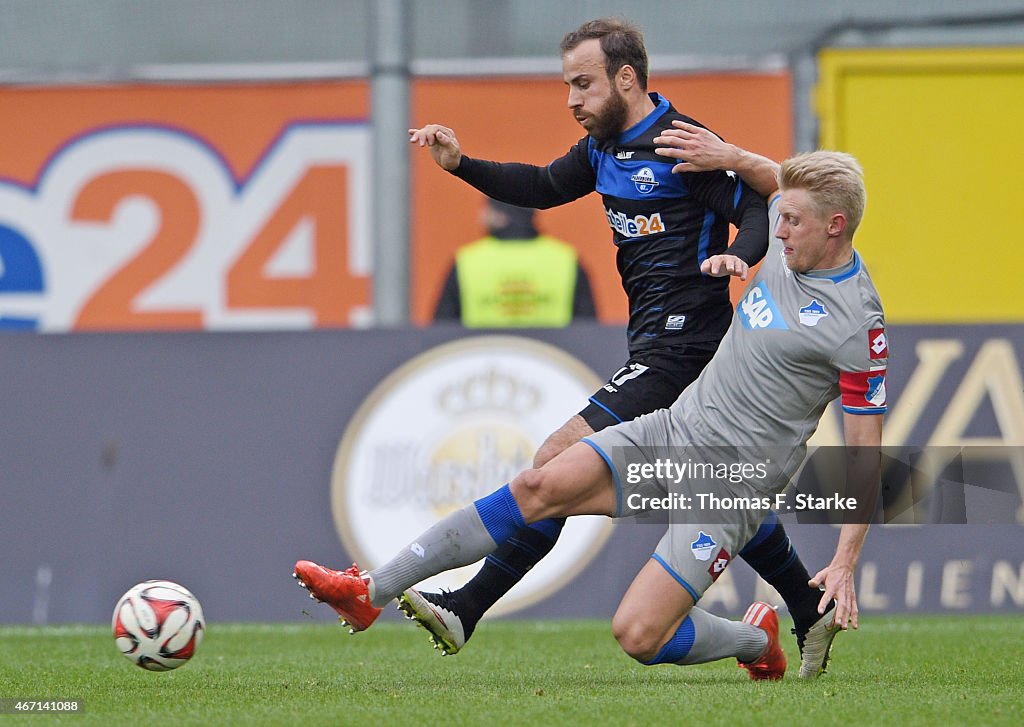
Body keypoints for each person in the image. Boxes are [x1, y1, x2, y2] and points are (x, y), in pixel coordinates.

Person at [296, 147, 885, 680]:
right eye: (779, 217)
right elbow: (770, 179)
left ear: (835, 226)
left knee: (638, 635)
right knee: (537, 484)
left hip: (731, 482)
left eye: (791, 221)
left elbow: (864, 451)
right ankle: (372, 589)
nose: (775, 230)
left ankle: (756, 638)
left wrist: (844, 562)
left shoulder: (856, 324)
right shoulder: (794, 230)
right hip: (674, 429)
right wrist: (729, 154)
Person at [404, 17, 840, 677]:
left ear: (625, 78)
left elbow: (757, 204)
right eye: (568, 85)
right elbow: (541, 186)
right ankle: (807, 607)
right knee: (716, 488)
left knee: (555, 460)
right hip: (656, 346)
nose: (572, 99)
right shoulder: (604, 150)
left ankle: (468, 604)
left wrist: (738, 255)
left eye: (582, 83)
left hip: (689, 350)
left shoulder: (683, 143)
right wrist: (462, 165)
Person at [433, 197, 597, 327]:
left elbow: (442, 328)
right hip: (553, 362)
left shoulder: (466, 260)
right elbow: (589, 327)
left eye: (486, 210)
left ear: (500, 216)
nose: (480, 217)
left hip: (485, 362)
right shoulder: (566, 259)